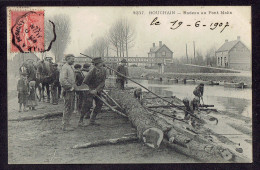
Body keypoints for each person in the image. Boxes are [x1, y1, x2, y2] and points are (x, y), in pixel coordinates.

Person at [78, 57, 107, 126]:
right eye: (100, 63)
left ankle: (92, 120)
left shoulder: (104, 70)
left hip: (97, 91)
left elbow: (103, 82)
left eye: (102, 63)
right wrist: (91, 91)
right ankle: (80, 121)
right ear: (96, 64)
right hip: (89, 91)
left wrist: (96, 90)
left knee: (100, 103)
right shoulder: (91, 71)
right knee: (87, 105)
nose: (102, 64)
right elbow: (85, 82)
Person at [59, 54, 76, 131]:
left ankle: (67, 123)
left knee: (71, 107)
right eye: (72, 59)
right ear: (67, 59)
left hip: (71, 90)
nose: (73, 60)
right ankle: (65, 125)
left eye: (73, 59)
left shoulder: (70, 67)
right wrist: (70, 87)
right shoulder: (65, 67)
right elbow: (62, 80)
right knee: (68, 107)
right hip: (68, 90)